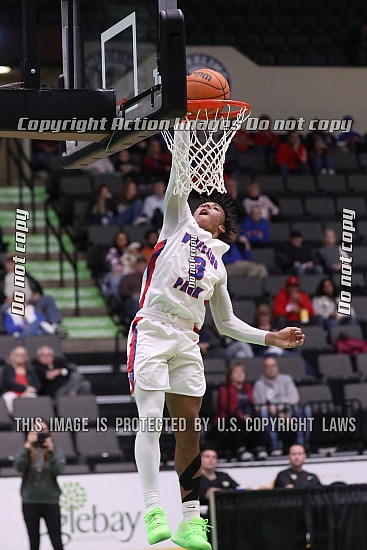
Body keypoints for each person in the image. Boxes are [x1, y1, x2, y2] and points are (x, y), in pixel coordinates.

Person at [126, 129, 305, 550]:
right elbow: (179, 179)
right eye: (201, 204)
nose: (203, 207)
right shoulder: (177, 224)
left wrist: (270, 337)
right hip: (152, 327)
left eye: (210, 209)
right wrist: (184, 127)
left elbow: (225, 324)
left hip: (187, 340)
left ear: (222, 227)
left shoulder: (219, 267)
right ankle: (153, 506)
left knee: (189, 433)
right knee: (151, 420)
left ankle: (190, 521)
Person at [14, 418, 65, 550]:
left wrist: (51, 451)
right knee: (34, 542)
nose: (40, 432)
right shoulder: (26, 451)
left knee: (57, 541)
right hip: (30, 501)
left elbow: (59, 470)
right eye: (36, 429)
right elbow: (19, 467)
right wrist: (27, 447)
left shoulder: (55, 451)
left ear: (48, 432)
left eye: (43, 429)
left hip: (50, 501)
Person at [253, 356, 311, 456]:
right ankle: (275, 447)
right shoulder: (259, 385)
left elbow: (294, 399)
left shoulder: (286, 379)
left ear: (277, 367)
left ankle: (302, 444)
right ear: (264, 369)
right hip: (272, 416)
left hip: (290, 412)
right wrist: (280, 414)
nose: (271, 368)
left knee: (306, 409)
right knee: (264, 413)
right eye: (268, 366)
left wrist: (279, 408)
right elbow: (259, 406)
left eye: (274, 365)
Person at [213, 362, 257, 461]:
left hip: (248, 416)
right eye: (236, 372)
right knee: (238, 421)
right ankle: (240, 449)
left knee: (258, 420)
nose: (240, 374)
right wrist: (242, 415)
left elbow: (254, 404)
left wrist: (251, 414)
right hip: (227, 418)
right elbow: (226, 406)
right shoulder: (225, 389)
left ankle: (258, 448)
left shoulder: (249, 388)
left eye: (242, 372)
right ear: (230, 375)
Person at [2, 346, 39, 415]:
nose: (20, 357)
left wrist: (33, 389)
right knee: (9, 397)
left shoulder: (30, 369)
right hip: (11, 392)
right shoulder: (8, 368)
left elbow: (37, 384)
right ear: (13, 356)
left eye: (23, 355)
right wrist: (25, 388)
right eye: (18, 355)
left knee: (33, 397)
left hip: (28, 393)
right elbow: (9, 383)